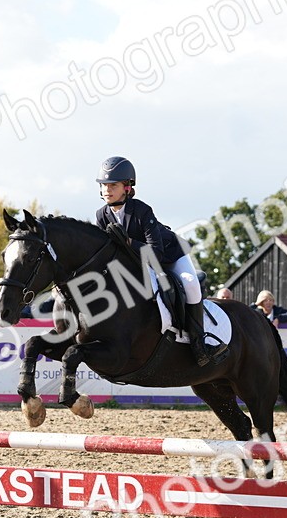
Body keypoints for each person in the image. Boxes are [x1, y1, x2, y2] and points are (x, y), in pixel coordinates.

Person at [93, 155, 227, 366]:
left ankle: (199, 343)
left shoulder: (142, 211)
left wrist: (129, 242)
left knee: (191, 284)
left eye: (113, 185)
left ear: (127, 187)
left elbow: (157, 253)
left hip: (169, 256)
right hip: (138, 263)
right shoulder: (102, 215)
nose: (106, 190)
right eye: (104, 185)